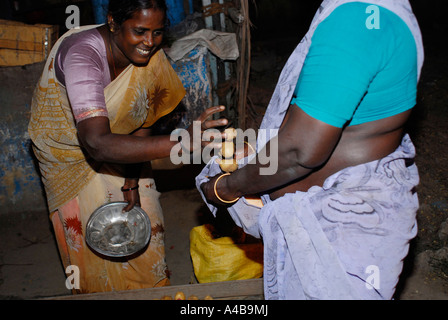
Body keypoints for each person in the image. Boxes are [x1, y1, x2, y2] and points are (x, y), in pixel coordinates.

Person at [198, 0, 424, 299]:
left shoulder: (359, 21)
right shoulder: (375, 12)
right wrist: (262, 154)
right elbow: (333, 119)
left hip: (338, 233)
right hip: (340, 221)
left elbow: (298, 153)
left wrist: (226, 187)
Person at [28, 0, 227, 294]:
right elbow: (96, 143)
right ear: (112, 22)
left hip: (120, 145)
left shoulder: (150, 57)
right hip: (69, 152)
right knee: (93, 245)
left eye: (158, 32)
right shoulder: (83, 54)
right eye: (139, 31)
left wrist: (131, 179)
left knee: (145, 225)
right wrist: (183, 141)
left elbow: (142, 116)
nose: (149, 42)